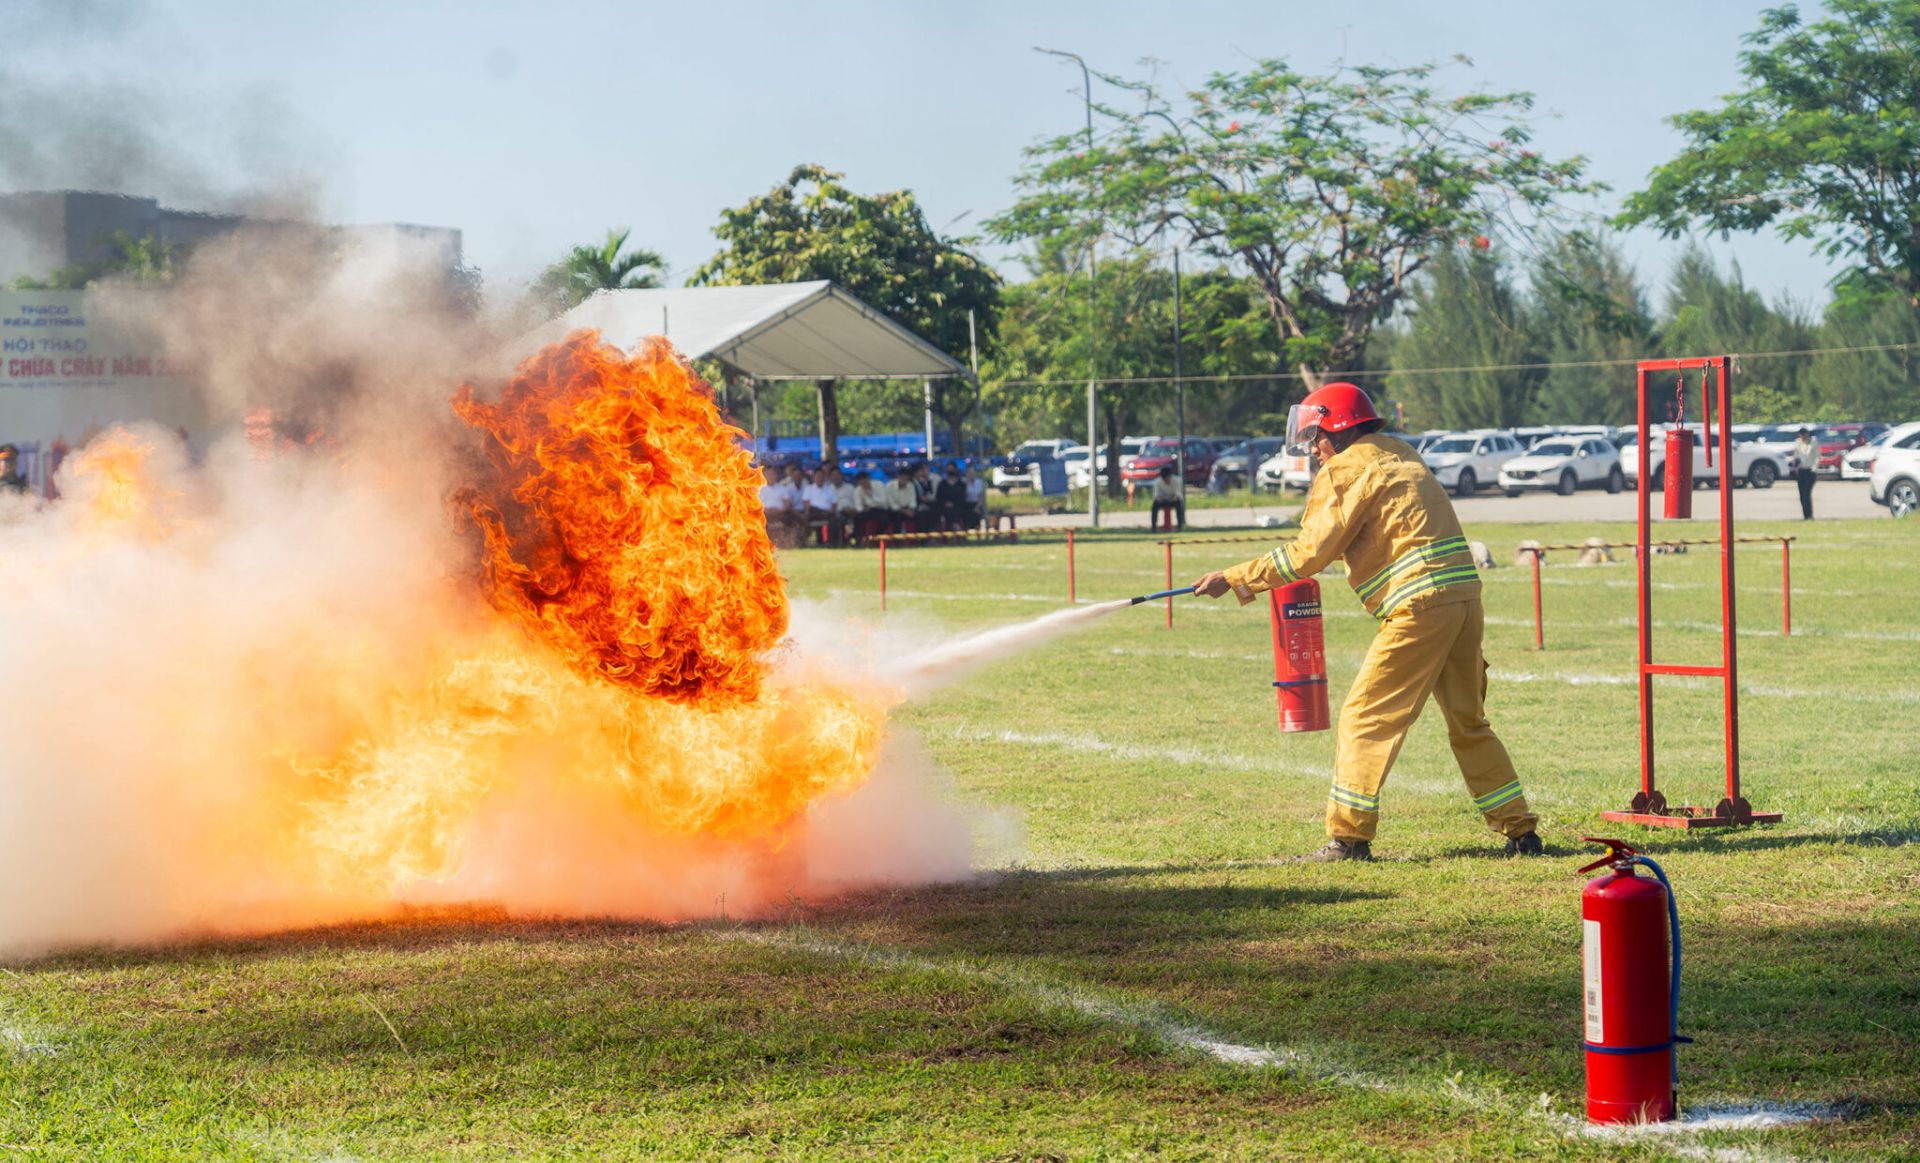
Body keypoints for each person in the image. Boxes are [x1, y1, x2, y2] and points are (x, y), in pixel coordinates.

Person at [1191, 382, 1540, 862]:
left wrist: (1234, 577)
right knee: (1469, 722)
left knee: (1363, 718)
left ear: (1337, 427)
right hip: (1464, 601)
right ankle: (1521, 831)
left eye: (1316, 438)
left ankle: (1349, 839)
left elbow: (1308, 555)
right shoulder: (1401, 452)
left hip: (1418, 607)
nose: (1315, 450)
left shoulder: (1344, 470)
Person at [758, 463, 805, 546]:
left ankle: (793, 542)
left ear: (776, 475)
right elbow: (756, 504)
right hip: (765, 514)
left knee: (793, 518)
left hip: (780, 513)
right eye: (769, 474)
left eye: (773, 474)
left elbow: (787, 504)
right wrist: (766, 510)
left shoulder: (782, 488)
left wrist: (780, 510)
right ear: (765, 475)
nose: (771, 476)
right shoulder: (760, 489)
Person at [801, 466, 838, 544]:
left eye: (821, 476)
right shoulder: (809, 489)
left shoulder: (830, 489)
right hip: (813, 513)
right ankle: (804, 542)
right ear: (814, 477)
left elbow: (834, 504)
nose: (820, 478)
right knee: (810, 511)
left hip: (827, 514)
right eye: (818, 476)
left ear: (824, 477)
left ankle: (831, 542)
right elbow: (806, 504)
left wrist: (830, 510)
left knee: (834, 518)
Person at [1791, 426, 1818, 520]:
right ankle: (1805, 515)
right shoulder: (1797, 443)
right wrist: (1795, 466)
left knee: (1807, 493)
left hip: (1810, 471)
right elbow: (1795, 456)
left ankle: (1810, 515)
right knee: (1802, 495)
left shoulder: (1813, 443)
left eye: (1804, 433)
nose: (1803, 436)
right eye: (1801, 434)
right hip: (1801, 471)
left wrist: (1814, 468)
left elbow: (1817, 457)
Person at [934, 463, 970, 531]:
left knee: (954, 511)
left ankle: (955, 526)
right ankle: (955, 526)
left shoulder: (961, 485)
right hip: (943, 508)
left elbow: (962, 498)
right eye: (948, 469)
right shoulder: (942, 484)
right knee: (945, 511)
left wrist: (954, 504)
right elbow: (938, 498)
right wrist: (945, 503)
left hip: (958, 508)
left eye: (952, 469)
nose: (950, 470)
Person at [1150, 464, 1185, 531]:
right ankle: (1153, 527)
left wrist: (1174, 497)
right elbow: (1156, 495)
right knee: (1155, 505)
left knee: (1179, 503)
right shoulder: (1157, 482)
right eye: (1164, 479)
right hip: (1162, 500)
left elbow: (1178, 494)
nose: (1166, 480)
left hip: (1173, 500)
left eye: (1167, 478)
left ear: (1170, 476)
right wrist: (1159, 498)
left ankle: (1179, 527)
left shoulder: (1177, 480)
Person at [963, 466, 988, 530]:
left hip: (977, 504)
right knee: (967, 512)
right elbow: (962, 496)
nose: (971, 475)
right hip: (967, 504)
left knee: (977, 512)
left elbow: (982, 496)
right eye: (969, 473)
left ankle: (977, 529)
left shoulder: (979, 482)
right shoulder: (964, 483)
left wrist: (977, 507)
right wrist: (966, 484)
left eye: (972, 473)